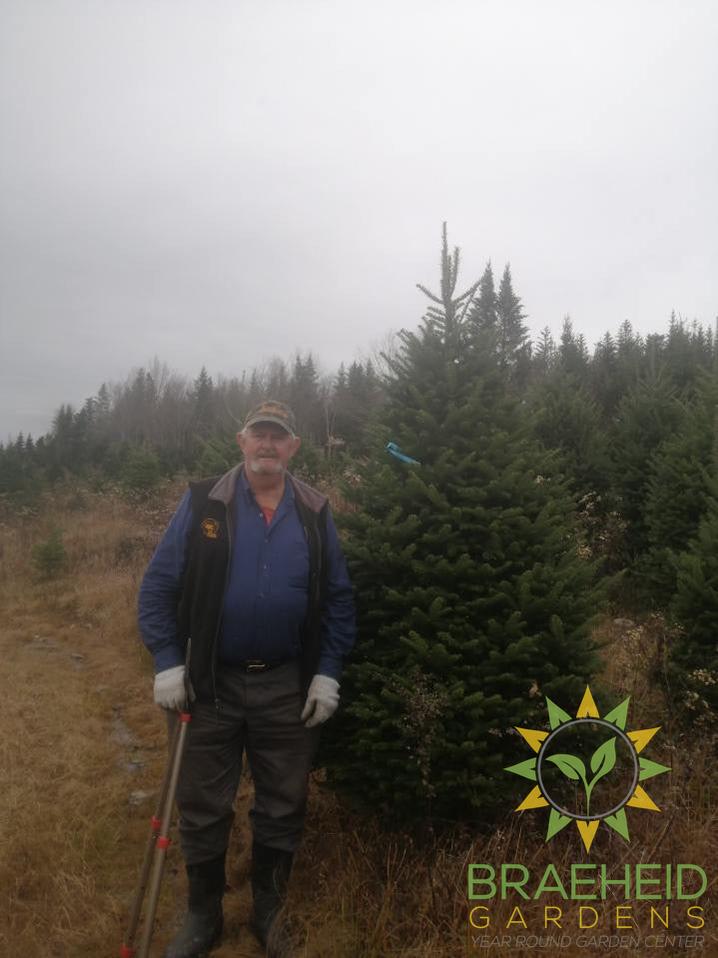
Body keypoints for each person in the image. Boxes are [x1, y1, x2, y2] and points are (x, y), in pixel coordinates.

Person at [138, 400, 356, 958]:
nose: (267, 444)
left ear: (293, 447)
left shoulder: (314, 511)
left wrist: (326, 674)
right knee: (202, 801)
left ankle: (269, 911)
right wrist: (167, 661)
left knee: (284, 800)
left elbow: (338, 599)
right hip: (206, 684)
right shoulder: (203, 501)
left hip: (286, 684)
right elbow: (158, 587)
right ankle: (202, 915)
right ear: (241, 441)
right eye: (259, 434)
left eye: (278, 437)